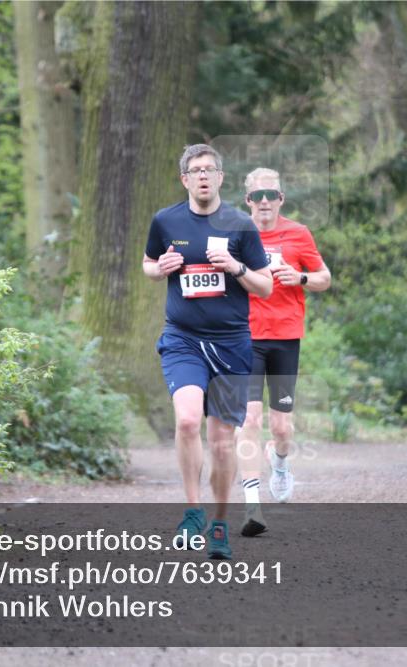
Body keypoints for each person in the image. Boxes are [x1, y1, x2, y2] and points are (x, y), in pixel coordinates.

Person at [142, 145, 272, 559]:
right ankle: (193, 511)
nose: (202, 176)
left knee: (220, 441)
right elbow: (147, 263)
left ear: (220, 177)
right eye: (195, 171)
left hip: (232, 344)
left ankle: (219, 523)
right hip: (183, 339)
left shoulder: (240, 225)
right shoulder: (166, 220)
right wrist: (159, 268)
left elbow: (265, 286)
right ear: (184, 180)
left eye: (209, 169)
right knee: (186, 421)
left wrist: (234, 267)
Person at [235, 167, 331, 537]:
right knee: (249, 420)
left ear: (280, 199)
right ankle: (252, 503)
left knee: (281, 428)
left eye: (270, 195)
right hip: (244, 336)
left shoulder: (298, 233)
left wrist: (301, 277)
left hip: (285, 337)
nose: (263, 202)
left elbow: (324, 278)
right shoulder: (235, 233)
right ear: (247, 201)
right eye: (257, 196)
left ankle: (280, 463)